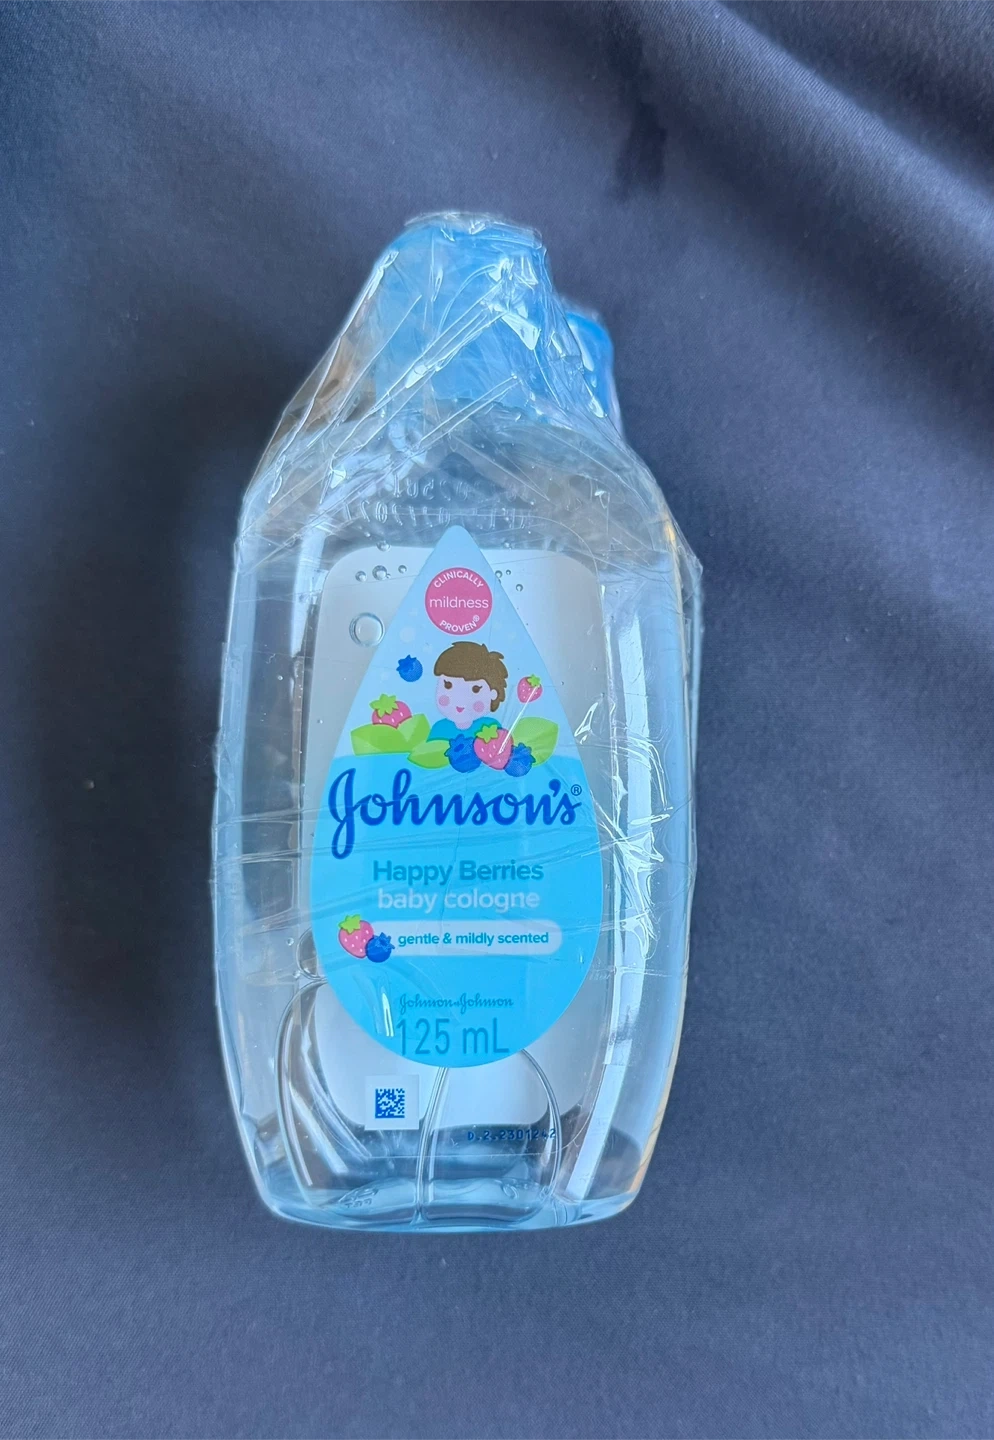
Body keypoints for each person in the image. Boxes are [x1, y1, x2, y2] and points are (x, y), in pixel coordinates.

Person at [428, 641, 507, 739]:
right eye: (448, 685)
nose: (459, 699)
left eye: (476, 689)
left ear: (493, 694)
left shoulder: (491, 727)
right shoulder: (439, 729)